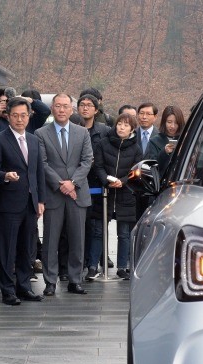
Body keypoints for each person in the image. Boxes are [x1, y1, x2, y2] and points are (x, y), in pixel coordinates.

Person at [0, 97, 46, 305]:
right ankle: (7, 290)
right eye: (15, 115)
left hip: (30, 203)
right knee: (7, 249)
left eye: (23, 115)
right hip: (8, 203)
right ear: (7, 116)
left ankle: (24, 287)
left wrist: (40, 200)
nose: (19, 119)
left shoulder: (33, 140)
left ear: (29, 115)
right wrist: (5, 175)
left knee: (26, 248)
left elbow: (38, 172)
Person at [35, 93, 93, 296]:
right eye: (57, 106)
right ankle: (50, 281)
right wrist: (61, 184)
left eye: (65, 106)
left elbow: (87, 161)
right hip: (54, 194)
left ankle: (75, 280)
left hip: (77, 194)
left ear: (71, 109)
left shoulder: (82, 133)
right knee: (51, 240)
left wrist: (73, 183)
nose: (61, 109)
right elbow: (42, 163)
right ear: (52, 108)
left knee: (77, 239)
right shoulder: (41, 133)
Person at [86, 113, 142, 281]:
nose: (121, 127)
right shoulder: (103, 143)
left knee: (124, 233)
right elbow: (98, 165)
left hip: (126, 194)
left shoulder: (136, 148)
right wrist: (106, 180)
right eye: (119, 124)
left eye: (126, 125)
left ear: (132, 129)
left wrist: (123, 182)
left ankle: (122, 266)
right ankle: (92, 266)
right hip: (105, 193)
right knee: (98, 230)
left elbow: (136, 171)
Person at [76, 94, 111, 270]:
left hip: (96, 183)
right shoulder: (72, 128)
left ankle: (95, 261)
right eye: (82, 105)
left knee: (97, 225)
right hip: (76, 181)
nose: (85, 108)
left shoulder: (104, 130)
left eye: (89, 105)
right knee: (78, 225)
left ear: (96, 110)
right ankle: (79, 261)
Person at [144, 106, 185, 173]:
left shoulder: (185, 139)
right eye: (169, 122)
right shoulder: (154, 141)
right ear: (164, 122)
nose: (173, 126)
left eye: (176, 122)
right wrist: (164, 152)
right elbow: (151, 166)